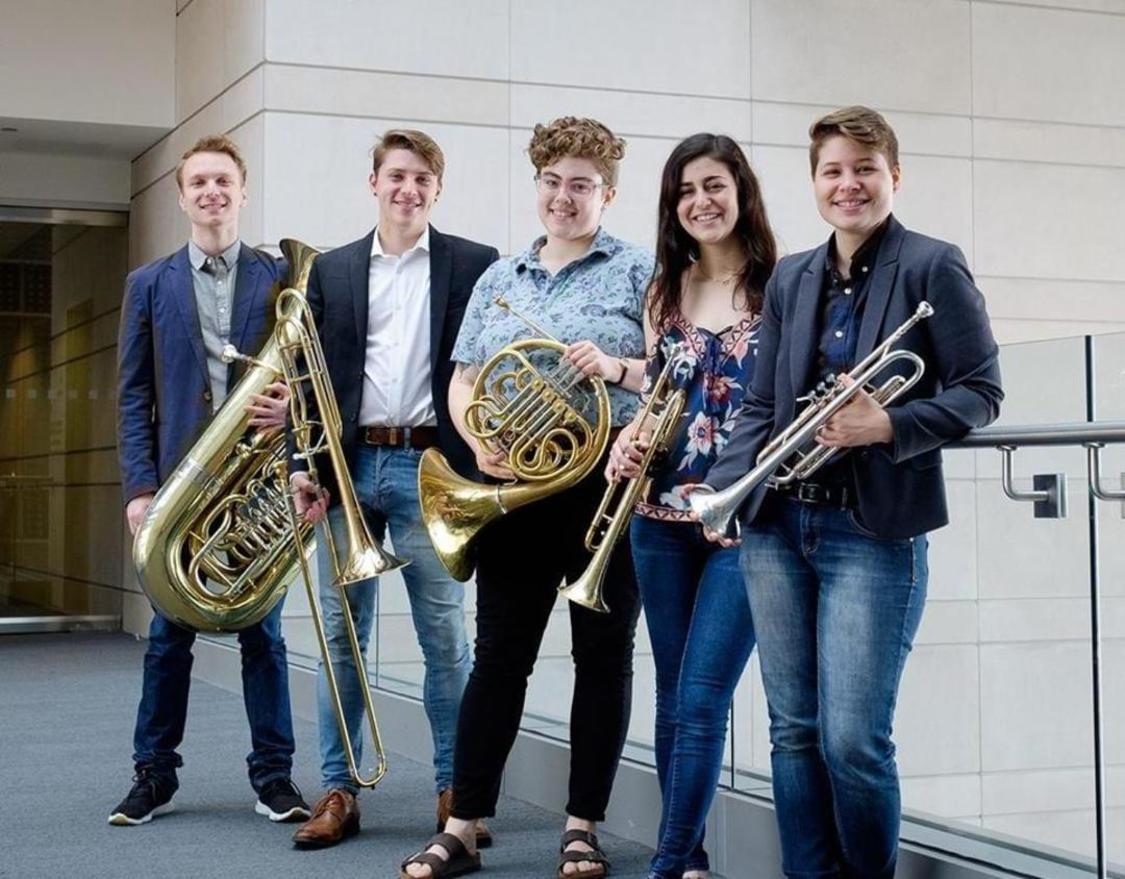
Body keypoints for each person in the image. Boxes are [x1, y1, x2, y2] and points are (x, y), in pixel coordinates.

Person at [698, 106, 1003, 878]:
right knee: (792, 731)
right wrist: (726, 489)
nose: (848, 184)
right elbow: (761, 404)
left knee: (852, 740)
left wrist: (888, 423)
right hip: (776, 528)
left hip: (870, 534)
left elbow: (981, 391)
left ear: (892, 176)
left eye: (863, 169)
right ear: (813, 183)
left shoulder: (932, 265)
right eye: (831, 171)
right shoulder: (792, 275)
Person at [400, 116, 652, 879]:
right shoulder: (501, 277)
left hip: (606, 488)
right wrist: (477, 441)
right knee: (498, 660)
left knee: (601, 660)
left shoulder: (639, 270)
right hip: (515, 487)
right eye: (551, 181)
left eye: (581, 185)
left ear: (607, 193)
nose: (562, 197)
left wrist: (614, 366)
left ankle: (581, 827)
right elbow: (465, 377)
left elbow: (674, 369)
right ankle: (463, 824)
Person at [288, 129, 499, 849]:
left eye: (422, 179)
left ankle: (456, 793)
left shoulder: (474, 263)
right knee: (341, 638)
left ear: (437, 189)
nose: (408, 189)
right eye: (397, 176)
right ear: (374, 182)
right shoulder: (333, 268)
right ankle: (338, 790)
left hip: (431, 467)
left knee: (444, 636)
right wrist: (301, 463)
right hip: (347, 469)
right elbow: (307, 378)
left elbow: (489, 369)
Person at [113, 134, 308, 826]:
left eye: (223, 180)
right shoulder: (148, 283)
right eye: (198, 182)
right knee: (169, 638)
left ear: (242, 191)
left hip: (257, 480)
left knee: (265, 637)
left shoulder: (280, 276)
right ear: (182, 196)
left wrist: (294, 427)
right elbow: (134, 394)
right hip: (178, 483)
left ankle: (274, 778)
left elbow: (311, 375)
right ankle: (153, 775)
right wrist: (140, 487)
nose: (211, 192)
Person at [607, 134, 776, 879]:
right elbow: (659, 393)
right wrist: (628, 439)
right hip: (658, 517)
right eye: (685, 191)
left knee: (704, 695)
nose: (700, 202)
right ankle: (692, 858)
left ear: (741, 192)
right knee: (673, 695)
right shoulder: (661, 291)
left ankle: (668, 860)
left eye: (713, 186)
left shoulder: (781, 286)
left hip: (743, 521)